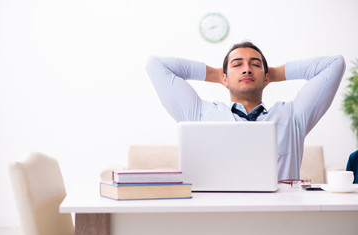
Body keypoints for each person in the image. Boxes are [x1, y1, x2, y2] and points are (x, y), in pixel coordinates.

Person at [146, 41, 346, 180]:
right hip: (221, 216)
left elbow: (334, 64)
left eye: (255, 65)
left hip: (282, 218)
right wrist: (216, 74)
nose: (247, 69)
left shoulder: (293, 116)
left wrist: (273, 73)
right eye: (237, 64)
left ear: (267, 77)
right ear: (224, 78)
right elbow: (156, 65)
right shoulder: (199, 115)